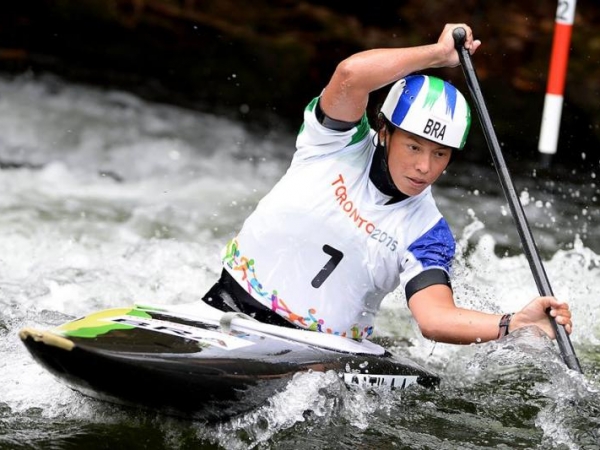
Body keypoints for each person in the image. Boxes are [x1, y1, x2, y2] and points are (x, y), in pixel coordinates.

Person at [202, 23, 573, 345]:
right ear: (384, 132)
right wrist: (437, 53)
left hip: (313, 355)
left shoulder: (427, 231)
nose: (424, 167)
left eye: (440, 154)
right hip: (225, 306)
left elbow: (434, 318)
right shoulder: (335, 143)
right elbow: (350, 75)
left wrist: (513, 323)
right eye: (413, 146)